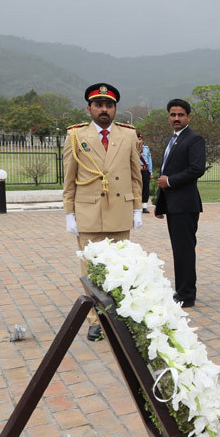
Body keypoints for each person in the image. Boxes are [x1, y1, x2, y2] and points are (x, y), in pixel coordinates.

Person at [62, 83, 142, 341]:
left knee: (122, 268)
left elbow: (135, 174)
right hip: (89, 213)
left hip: (120, 210)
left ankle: (119, 319)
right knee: (91, 270)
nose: (104, 110)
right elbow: (69, 178)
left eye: (109, 105)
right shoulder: (75, 136)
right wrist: (69, 213)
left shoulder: (128, 135)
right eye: (99, 105)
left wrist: (138, 208)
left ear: (115, 109)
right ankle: (95, 320)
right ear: (89, 109)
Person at [154, 98, 206, 308]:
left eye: (180, 115)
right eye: (173, 114)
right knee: (179, 249)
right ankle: (182, 290)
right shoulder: (172, 140)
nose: (176, 118)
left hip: (185, 205)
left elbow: (197, 169)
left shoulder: (194, 139)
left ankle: (186, 295)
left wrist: (170, 182)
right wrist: (160, 204)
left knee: (184, 249)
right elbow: (165, 171)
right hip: (173, 205)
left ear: (188, 117)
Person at [137, 132, 152, 213]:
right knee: (136, 187)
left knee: (145, 188)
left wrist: (150, 172)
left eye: (140, 139)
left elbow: (149, 161)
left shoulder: (146, 149)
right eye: (138, 139)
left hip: (145, 170)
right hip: (136, 170)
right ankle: (136, 205)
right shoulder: (133, 148)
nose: (139, 141)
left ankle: (144, 206)